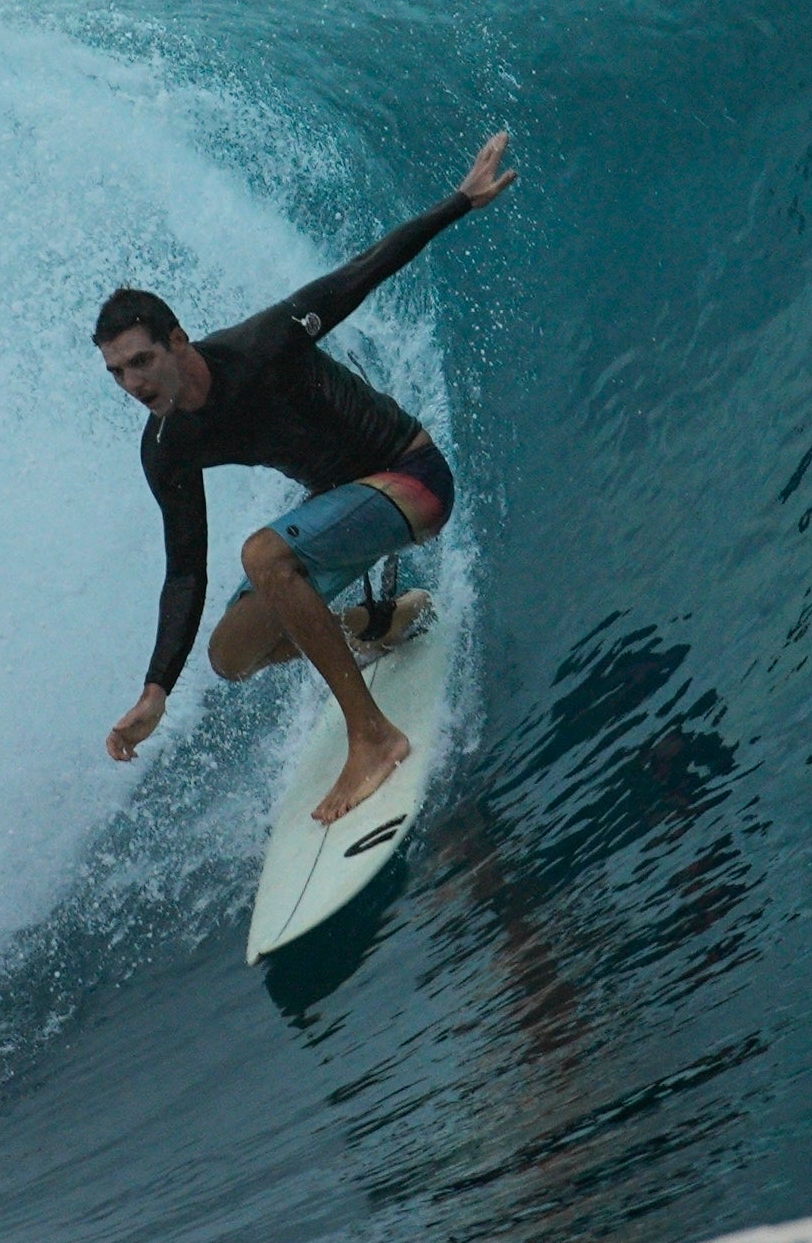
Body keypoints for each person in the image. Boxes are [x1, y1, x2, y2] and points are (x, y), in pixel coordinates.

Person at [97, 132, 517, 823]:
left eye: (140, 361)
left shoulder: (262, 346)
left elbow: (361, 272)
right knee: (232, 653)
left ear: (177, 340)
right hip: (343, 506)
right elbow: (184, 570)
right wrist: (156, 689)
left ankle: (374, 736)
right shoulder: (167, 443)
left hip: (412, 478)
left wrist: (460, 202)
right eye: (116, 372)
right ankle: (380, 622)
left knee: (264, 554)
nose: (131, 382)